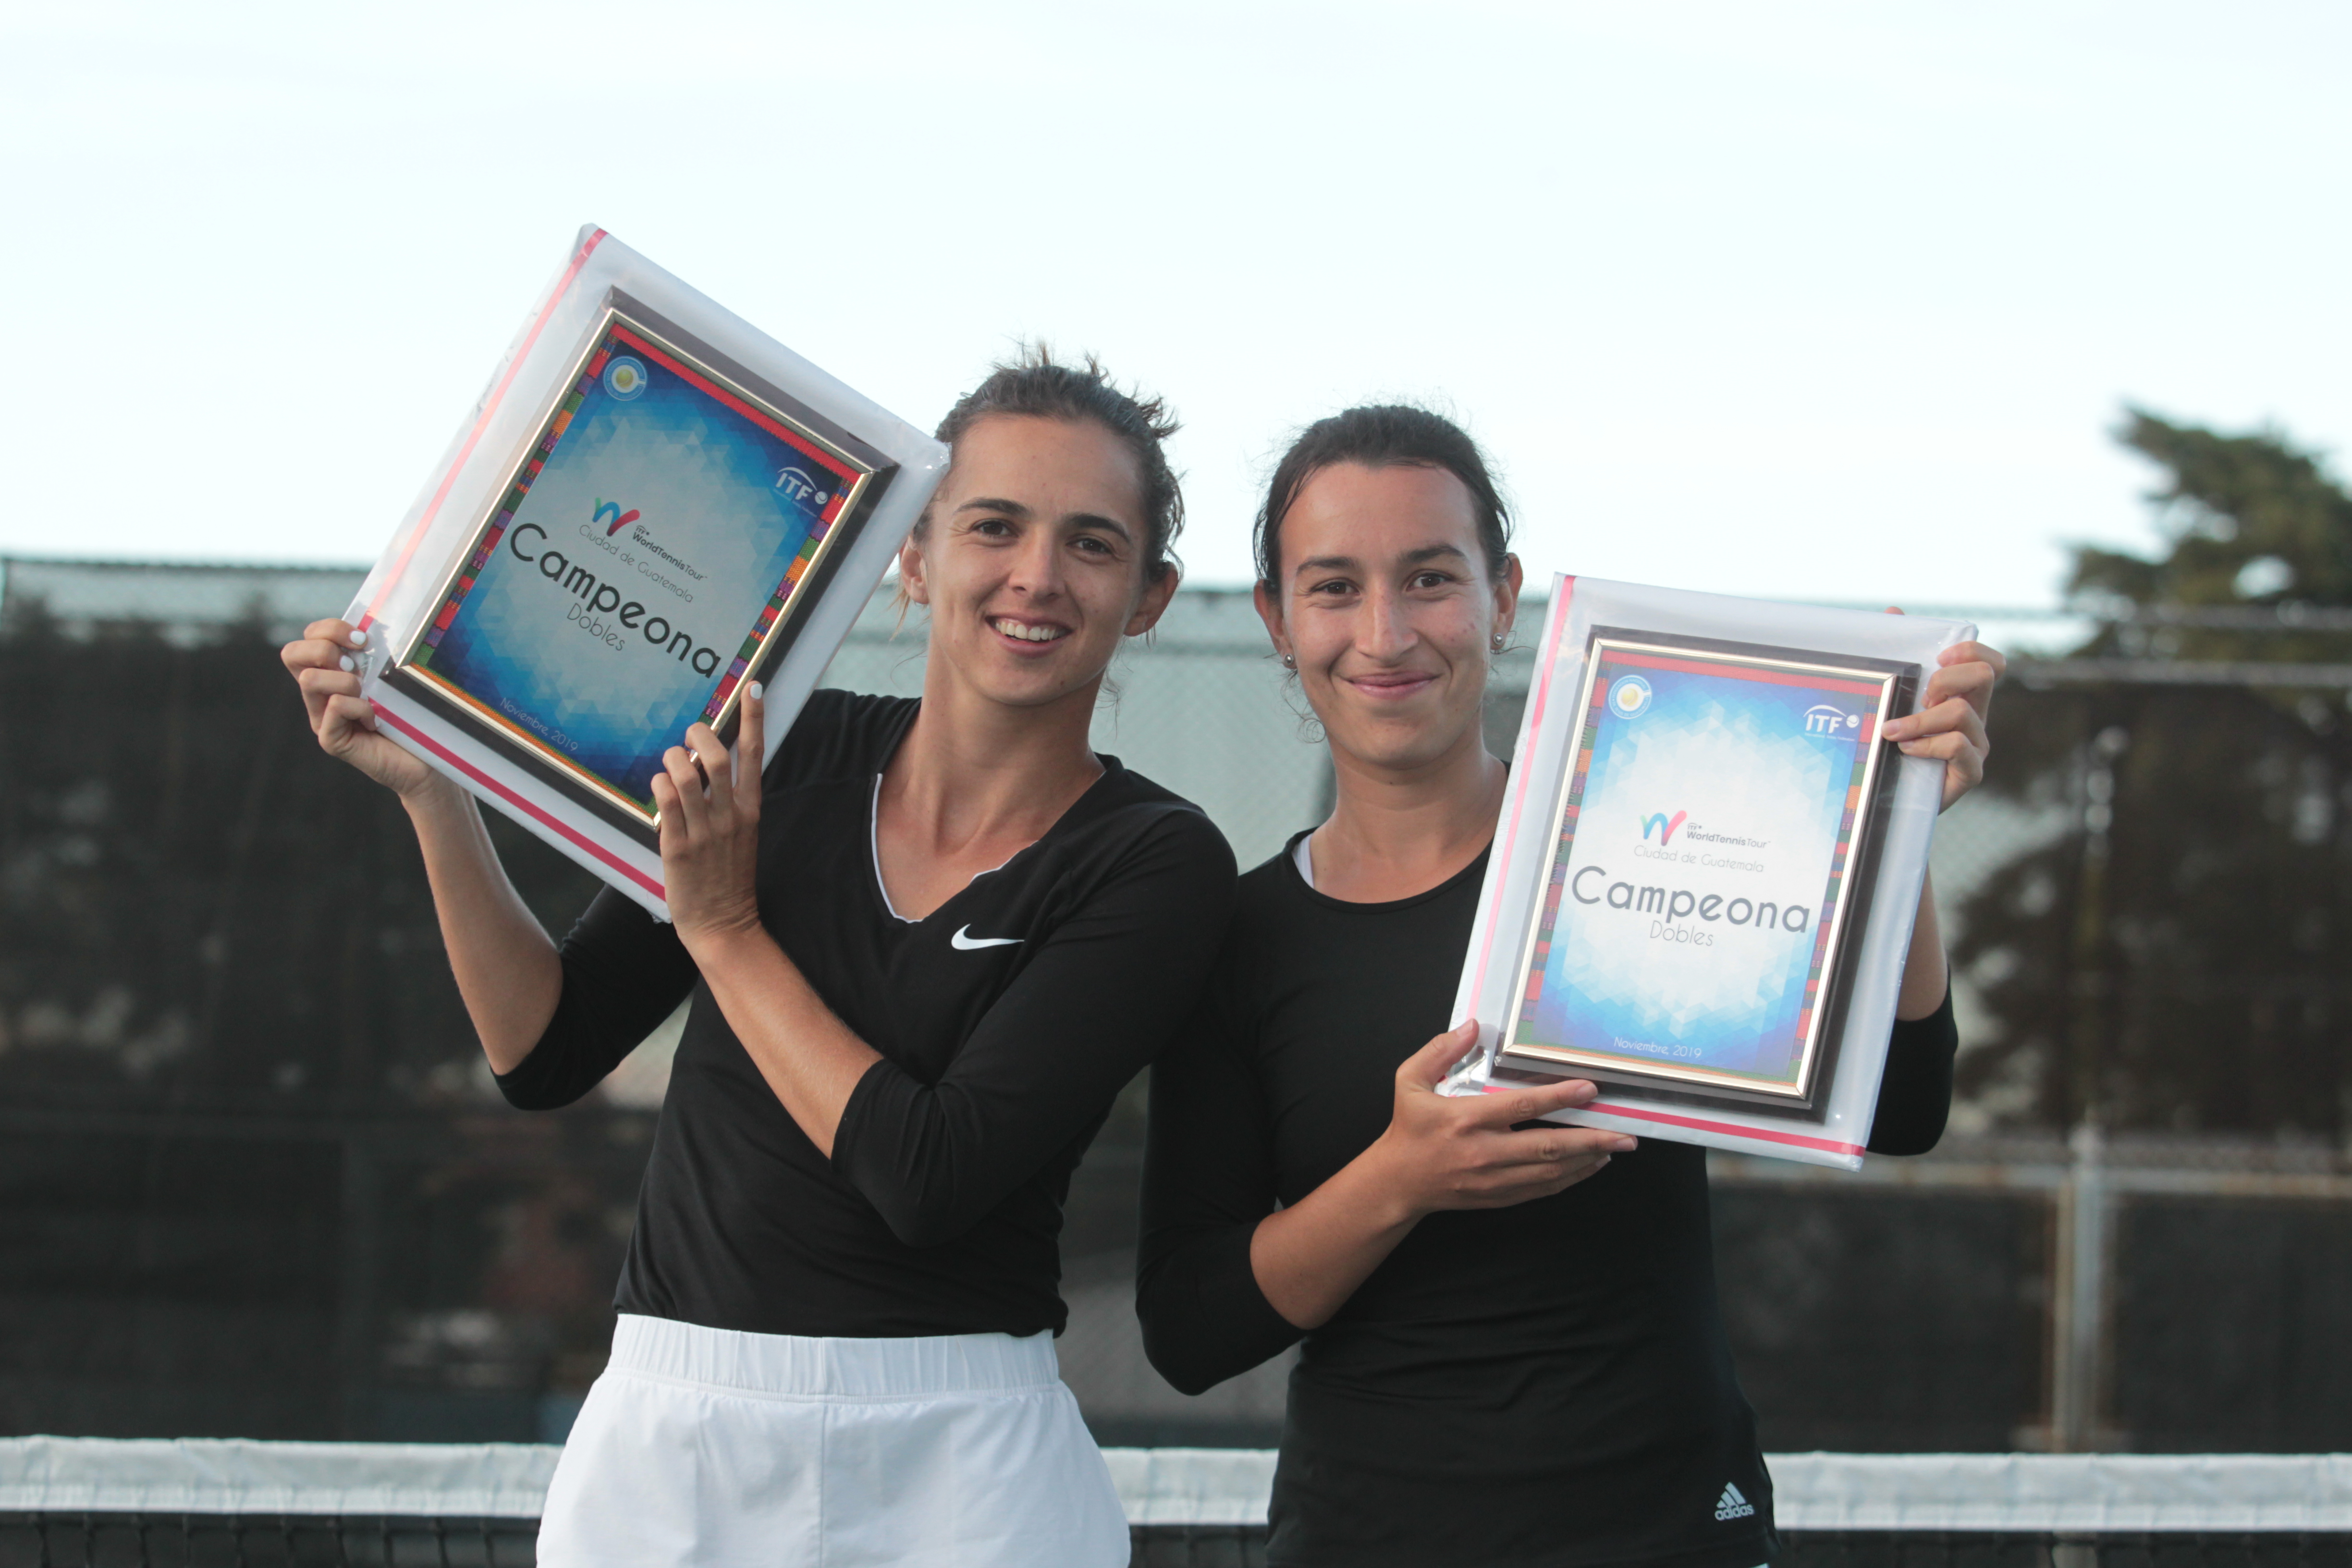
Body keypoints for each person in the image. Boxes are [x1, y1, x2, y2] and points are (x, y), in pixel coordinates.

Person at [284, 354, 1236, 1568]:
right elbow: (546, 1050)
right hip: (671, 1440)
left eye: (1091, 544)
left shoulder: (1157, 860)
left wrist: (724, 931)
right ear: (915, 554)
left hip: (968, 1459)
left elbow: (930, 1173)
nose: (1035, 577)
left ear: (1148, 595)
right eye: (994, 526)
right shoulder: (780, 744)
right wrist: (437, 797)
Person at [1137, 405, 2003, 1568]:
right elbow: (1191, 1327)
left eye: (1431, 578)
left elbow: (1902, 1113)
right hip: (1372, 1535)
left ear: (1503, 601)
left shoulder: (1635, 846)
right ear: (1277, 621)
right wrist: (1400, 1179)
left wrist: (1891, 832)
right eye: (1334, 586)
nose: (1385, 632)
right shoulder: (1237, 937)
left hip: (1666, 1528)